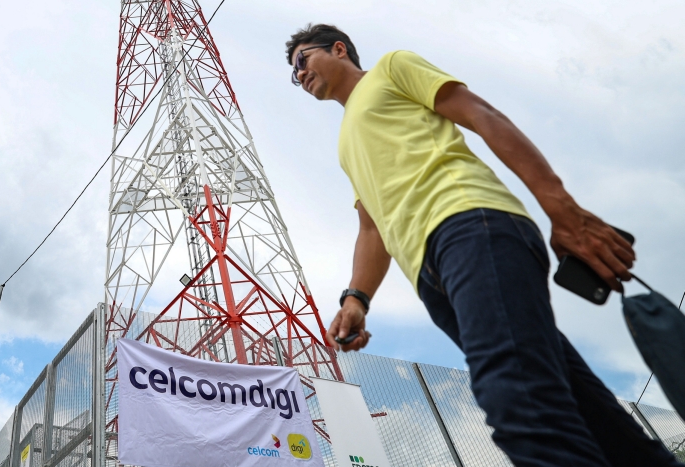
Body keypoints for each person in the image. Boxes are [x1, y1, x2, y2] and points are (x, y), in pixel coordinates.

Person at [286, 24, 676, 467]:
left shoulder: (391, 68)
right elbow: (372, 228)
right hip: (433, 282)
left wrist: (562, 209)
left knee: (518, 403)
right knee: (591, 413)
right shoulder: (344, 144)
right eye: (292, 74)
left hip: (470, 226)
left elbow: (482, 115)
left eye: (302, 60)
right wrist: (356, 298)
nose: (299, 75)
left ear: (339, 49)